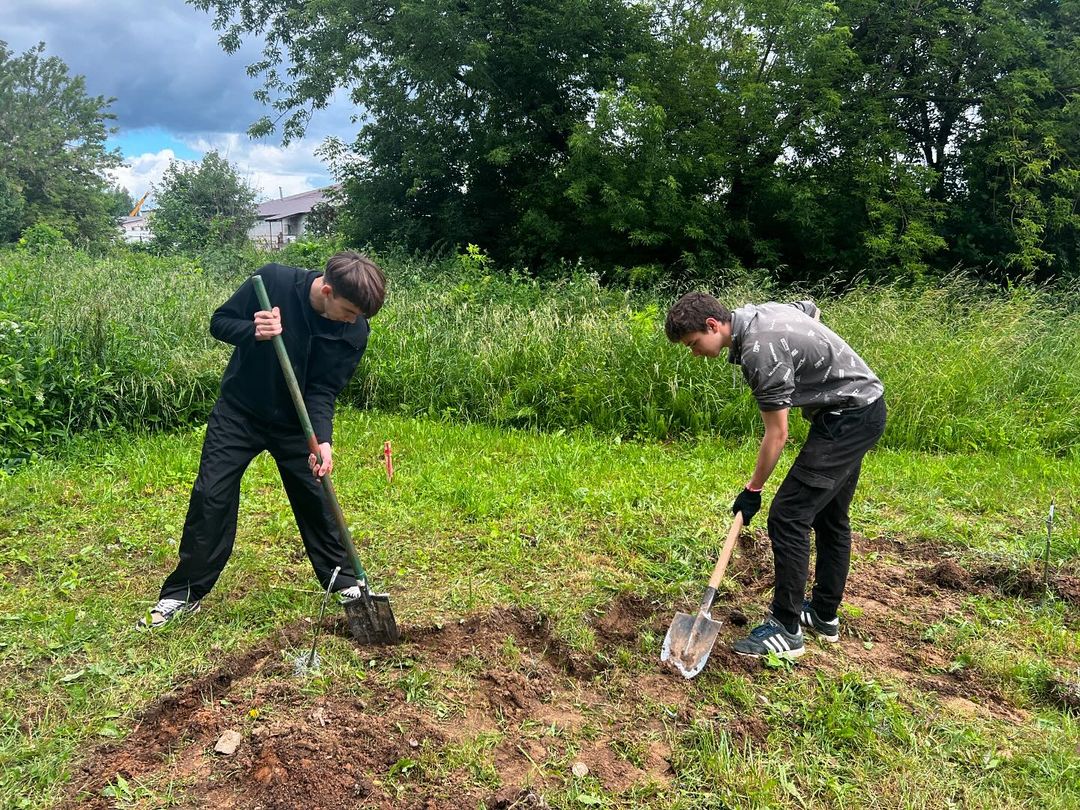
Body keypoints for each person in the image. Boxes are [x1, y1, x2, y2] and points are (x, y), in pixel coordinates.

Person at [137, 251, 386, 629]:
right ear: (328, 289)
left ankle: (344, 580)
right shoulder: (273, 282)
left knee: (316, 496)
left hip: (294, 426)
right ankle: (183, 593)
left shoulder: (354, 331)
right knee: (212, 494)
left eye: (360, 316)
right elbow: (219, 323)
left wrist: (322, 440)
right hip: (240, 412)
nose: (354, 320)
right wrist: (253, 331)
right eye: (350, 310)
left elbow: (322, 389)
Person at [664, 292, 885, 659]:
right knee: (829, 516)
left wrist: (754, 490)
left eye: (694, 343)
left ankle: (786, 628)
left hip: (847, 418)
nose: (695, 352)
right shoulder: (762, 314)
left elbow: (777, 434)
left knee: (788, 515)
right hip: (861, 407)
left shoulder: (758, 351)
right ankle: (824, 615)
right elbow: (809, 308)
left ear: (713, 325)